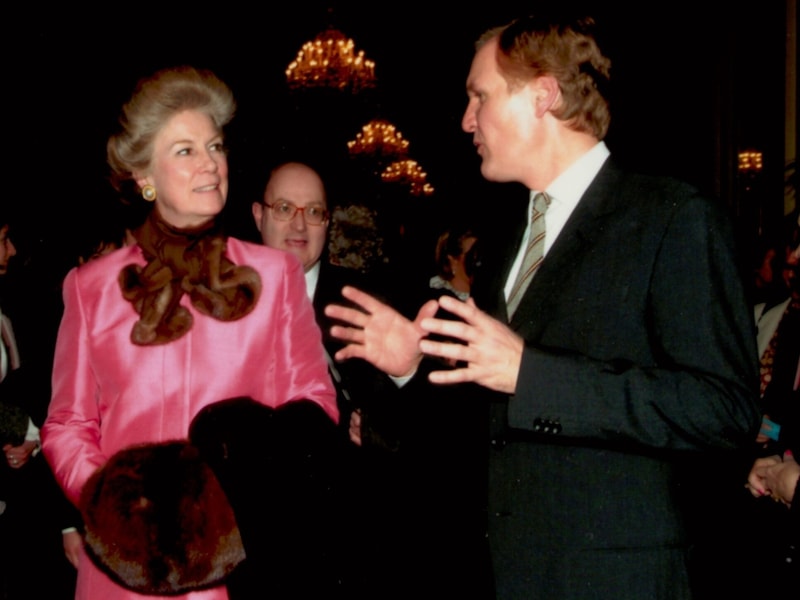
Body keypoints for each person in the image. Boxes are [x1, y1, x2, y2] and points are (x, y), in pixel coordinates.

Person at [325, 12, 761, 599]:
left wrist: (532, 373)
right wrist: (411, 367)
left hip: (618, 581)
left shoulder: (671, 218)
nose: (466, 120)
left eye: (479, 96)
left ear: (543, 95)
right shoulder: (508, 243)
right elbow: (490, 425)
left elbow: (723, 411)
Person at [41, 67, 337, 600]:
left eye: (216, 146)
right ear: (143, 175)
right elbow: (67, 423)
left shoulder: (274, 276)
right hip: (120, 572)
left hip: (240, 568)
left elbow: (314, 404)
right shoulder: (90, 287)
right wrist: (116, 513)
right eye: (185, 150)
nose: (210, 164)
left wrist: (237, 506)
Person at [0, 211, 78, 600]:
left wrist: (29, 436)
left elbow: (20, 385)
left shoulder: (8, 309)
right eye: (2, 240)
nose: (11, 251)